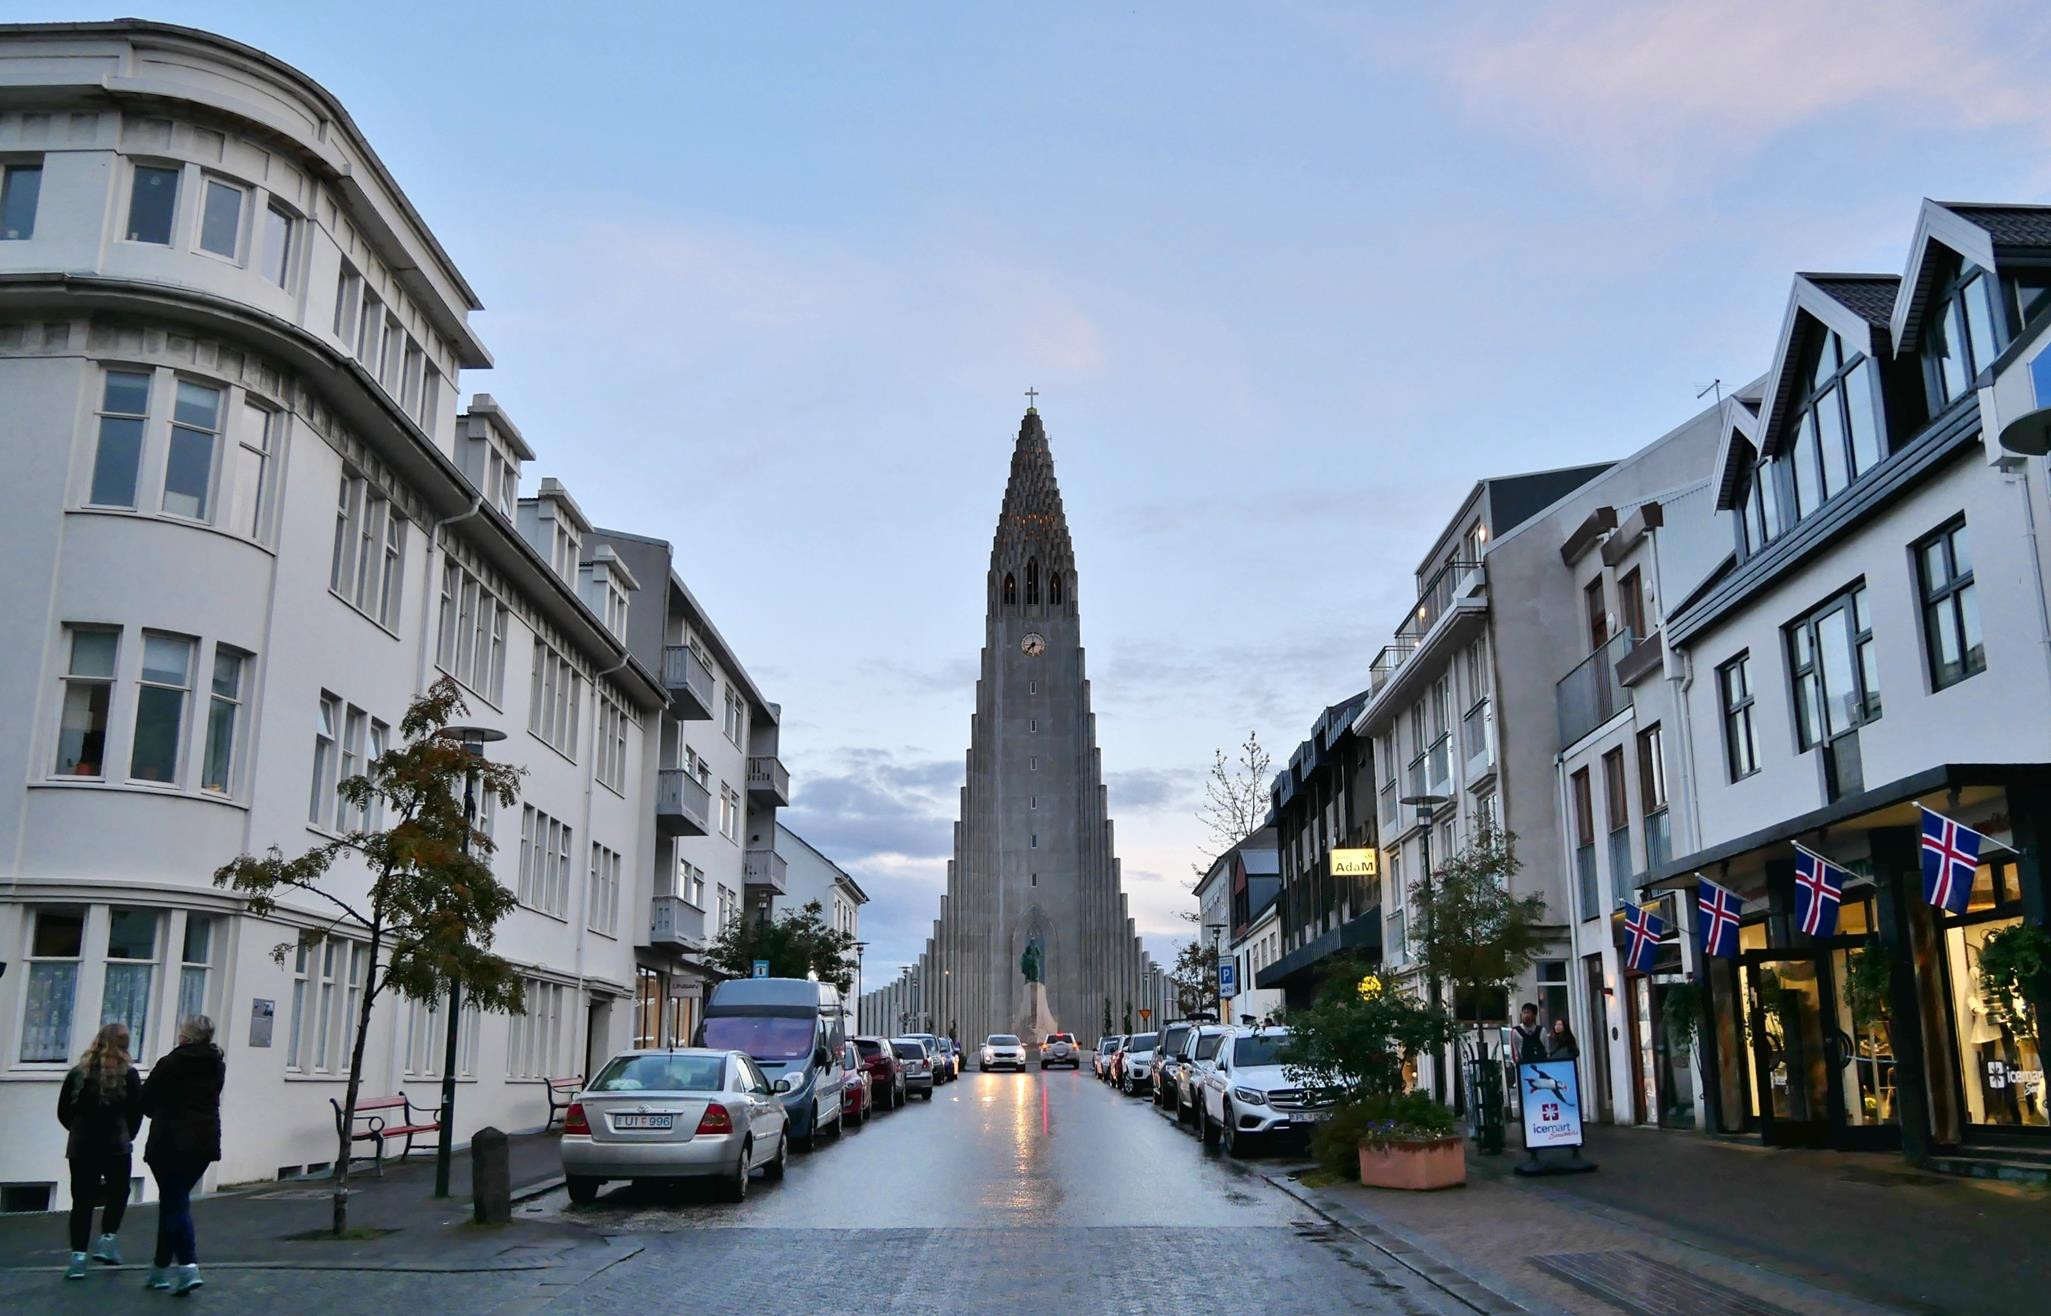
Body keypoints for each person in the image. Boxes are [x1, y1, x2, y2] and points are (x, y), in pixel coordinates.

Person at [142, 1015, 225, 1295]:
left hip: (169, 1143)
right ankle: (159, 1268)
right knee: (173, 1202)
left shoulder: (171, 1063)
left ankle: (188, 1266)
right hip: (203, 1142)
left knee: (175, 1203)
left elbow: (146, 1101)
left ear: (185, 1037)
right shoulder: (216, 1064)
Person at [56, 1022, 145, 1280]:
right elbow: (136, 1111)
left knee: (82, 1201)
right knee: (119, 1192)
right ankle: (108, 1240)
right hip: (115, 1144)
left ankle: (78, 1258)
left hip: (82, 1145)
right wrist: (128, 1134)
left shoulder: (78, 1073)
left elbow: (63, 1111)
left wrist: (76, 1130)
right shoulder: (128, 1074)